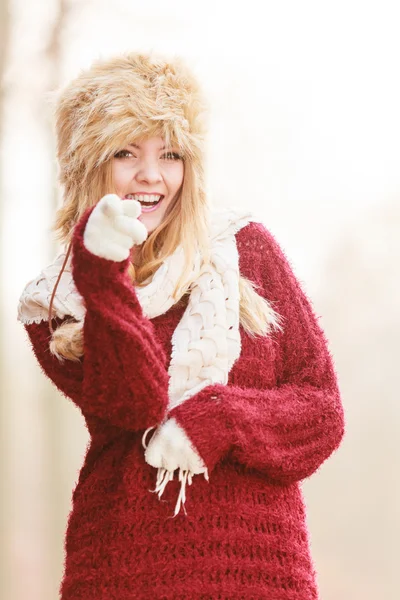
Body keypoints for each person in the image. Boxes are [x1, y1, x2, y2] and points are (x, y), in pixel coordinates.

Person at [17, 51, 345, 599]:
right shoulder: (57, 301)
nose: (151, 175)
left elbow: (321, 411)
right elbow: (136, 405)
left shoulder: (245, 251)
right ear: (86, 165)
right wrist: (103, 276)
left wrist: (223, 418)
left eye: (170, 154)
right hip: (124, 567)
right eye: (126, 152)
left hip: (260, 572)